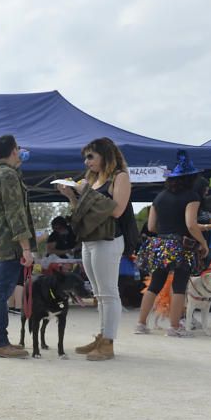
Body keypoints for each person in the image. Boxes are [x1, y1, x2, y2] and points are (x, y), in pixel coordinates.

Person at [56, 137, 133, 360]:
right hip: (89, 240)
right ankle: (102, 336)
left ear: (105, 155)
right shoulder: (93, 179)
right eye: (85, 157)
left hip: (108, 239)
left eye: (91, 156)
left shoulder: (120, 177)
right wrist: (72, 196)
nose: (87, 162)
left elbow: (117, 211)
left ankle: (108, 342)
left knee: (108, 292)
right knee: (100, 293)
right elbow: (82, 213)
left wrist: (85, 192)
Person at [135, 153, 208, 337]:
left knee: (155, 284)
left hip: (160, 245)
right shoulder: (192, 196)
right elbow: (191, 224)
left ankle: (141, 324)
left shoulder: (159, 197)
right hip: (181, 246)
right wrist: (203, 242)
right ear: (190, 178)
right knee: (179, 285)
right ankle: (174, 327)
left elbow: (151, 226)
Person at [0, 134, 35, 358]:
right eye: (18, 148)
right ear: (13, 150)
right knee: (0, 293)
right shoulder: (8, 175)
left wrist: (16, 168)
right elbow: (15, 214)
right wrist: (26, 248)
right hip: (8, 243)